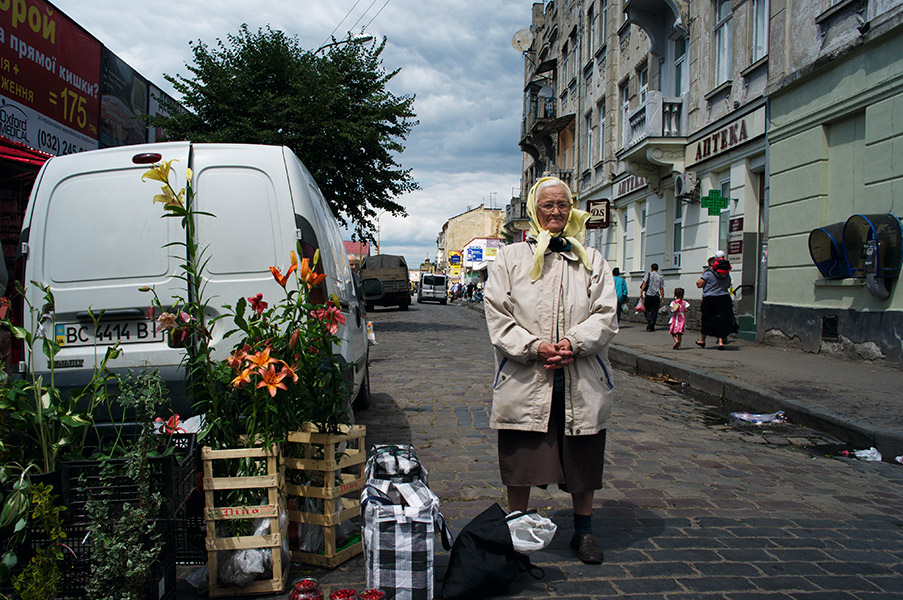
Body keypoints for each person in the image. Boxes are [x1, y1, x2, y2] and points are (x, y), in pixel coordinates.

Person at [484, 177, 618, 565]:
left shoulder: (592, 259)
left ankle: (584, 531)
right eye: (547, 205)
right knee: (520, 457)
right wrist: (535, 347)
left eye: (562, 204)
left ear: (571, 208)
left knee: (583, 453)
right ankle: (516, 533)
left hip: (582, 376)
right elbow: (498, 315)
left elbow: (606, 315)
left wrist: (573, 344)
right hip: (526, 376)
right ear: (533, 210)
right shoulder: (510, 258)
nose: (556, 212)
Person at [696, 251, 735, 350]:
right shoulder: (726, 273)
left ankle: (702, 340)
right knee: (721, 319)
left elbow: (699, 284)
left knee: (706, 319)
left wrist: (702, 277)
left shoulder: (708, 273)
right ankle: (721, 342)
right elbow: (728, 284)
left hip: (710, 299)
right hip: (724, 298)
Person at [640, 263, 664, 331]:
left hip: (648, 295)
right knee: (655, 311)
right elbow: (661, 288)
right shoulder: (660, 277)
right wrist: (662, 298)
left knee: (646, 309)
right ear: (657, 269)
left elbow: (644, 284)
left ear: (651, 268)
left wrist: (641, 292)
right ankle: (652, 324)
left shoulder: (648, 274)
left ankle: (649, 320)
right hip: (656, 296)